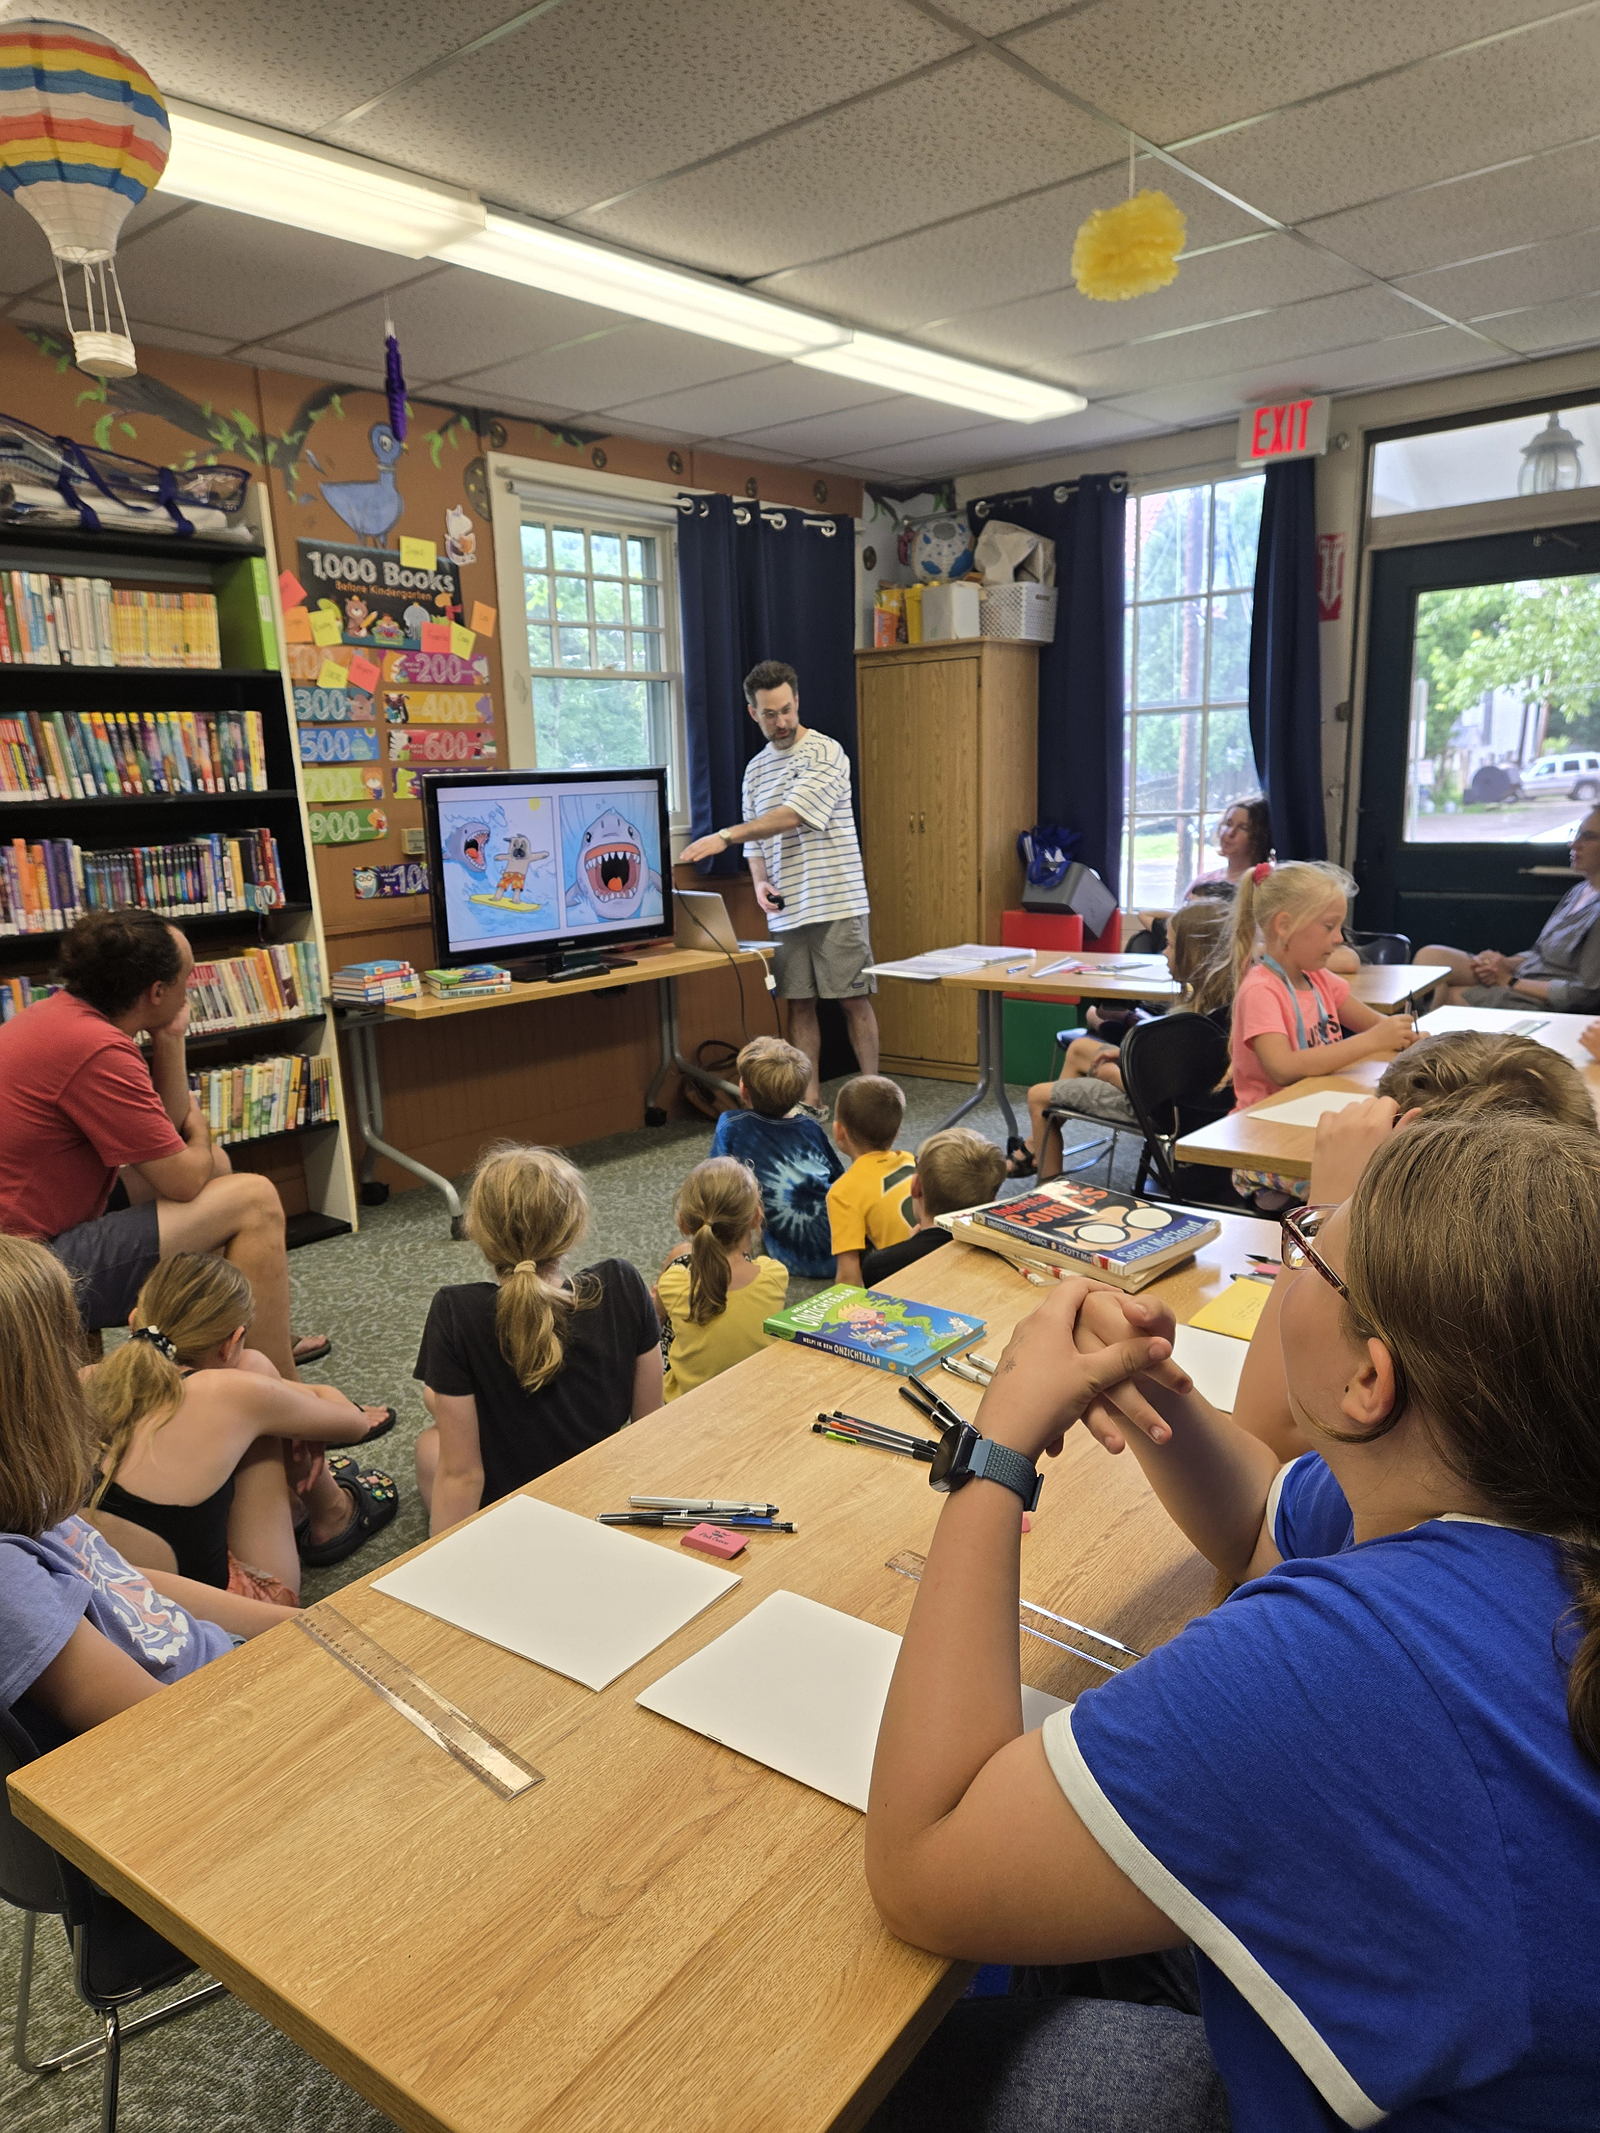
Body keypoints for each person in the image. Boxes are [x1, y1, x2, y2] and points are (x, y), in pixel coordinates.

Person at [863, 1111, 1600, 2133]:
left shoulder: (1351, 1662)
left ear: (1369, 1380)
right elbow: (1260, 1520)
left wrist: (996, 1448)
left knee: (902, 2075)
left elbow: (924, 1863)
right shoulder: (1508, 1492)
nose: (1294, 1258)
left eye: (1310, 1248)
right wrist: (1138, 1381)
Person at [0, 907, 327, 1380]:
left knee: (217, 1166)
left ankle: (218, 1344)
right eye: (186, 979)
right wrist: (200, 1127)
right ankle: (279, 1389)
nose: (190, 990)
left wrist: (170, 1039)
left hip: (36, 1229)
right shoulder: (96, 1049)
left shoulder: (63, 1018)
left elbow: (169, 1138)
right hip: (26, 1269)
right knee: (253, 1199)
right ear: (156, 992)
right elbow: (182, 1179)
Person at [0, 1236, 291, 1746]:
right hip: (221, 1715)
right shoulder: (7, 1576)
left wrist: (304, 1626)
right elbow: (167, 1733)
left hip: (222, 1657)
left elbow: (126, 1583)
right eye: (66, 1353)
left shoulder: (23, 1494)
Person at [86, 1254, 400, 1596]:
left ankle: (299, 1475)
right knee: (255, 1370)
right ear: (232, 1341)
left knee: (259, 1399)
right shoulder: (232, 1393)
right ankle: (332, 1515)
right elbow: (354, 1424)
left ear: (134, 1322)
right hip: (221, 1612)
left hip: (111, 1602)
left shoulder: (85, 1380)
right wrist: (299, 1413)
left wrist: (284, 1407)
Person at [413, 1144, 662, 1536]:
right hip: (603, 1506)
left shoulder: (456, 1312)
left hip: (512, 1523)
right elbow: (649, 1427)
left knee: (429, 1447)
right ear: (574, 1224)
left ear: (478, 1230)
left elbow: (463, 1476)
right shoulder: (622, 1283)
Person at [680, 659, 876, 1111]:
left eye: (787, 710)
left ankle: (874, 1097)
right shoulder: (755, 770)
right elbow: (757, 843)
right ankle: (809, 1100)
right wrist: (760, 883)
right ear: (754, 713)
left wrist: (724, 836)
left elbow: (793, 815)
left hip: (836, 898)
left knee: (853, 1000)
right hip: (788, 906)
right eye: (770, 714)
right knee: (799, 1004)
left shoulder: (826, 752)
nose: (781, 721)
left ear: (797, 702)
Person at [1226, 860, 1415, 1206]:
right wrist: (1372, 1041)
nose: (1339, 938)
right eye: (1329, 926)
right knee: (1368, 1183)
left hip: (1312, 1120)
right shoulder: (1261, 990)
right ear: (1284, 925)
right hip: (1262, 1141)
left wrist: (1407, 1037)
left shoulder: (1317, 978)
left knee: (1386, 1166)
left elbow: (1377, 1026)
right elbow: (1282, 1068)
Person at [1018, 900, 1234, 1183]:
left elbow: (1161, 1092)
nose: (1163, 952)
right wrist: (1126, 1058)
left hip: (1160, 1110)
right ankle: (1037, 1145)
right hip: (1171, 1097)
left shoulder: (1194, 1025)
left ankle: (1046, 1188)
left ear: (1193, 953)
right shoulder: (1221, 1006)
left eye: (1169, 945)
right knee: (1080, 1048)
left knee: (1038, 1097)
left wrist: (1111, 1074)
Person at [1416, 808, 1600, 1011]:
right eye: (1576, 834)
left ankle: (1419, 1027)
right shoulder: (1579, 891)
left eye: (1588, 837)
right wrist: (1503, 963)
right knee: (1430, 958)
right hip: (1522, 974)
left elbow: (1585, 994)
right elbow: (1539, 953)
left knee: (1448, 996)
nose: (1573, 844)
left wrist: (1508, 981)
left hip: (1540, 997)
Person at [709, 1035, 842, 1278]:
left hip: (786, 1258)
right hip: (840, 1250)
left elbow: (715, 1183)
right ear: (800, 1094)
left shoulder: (731, 1125)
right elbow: (839, 1178)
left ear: (743, 1089)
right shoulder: (810, 1127)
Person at [656, 1157, 788, 1401]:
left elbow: (655, 1316)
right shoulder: (774, 1274)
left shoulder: (674, 1281)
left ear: (683, 1223)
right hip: (758, 1395)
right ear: (756, 1216)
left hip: (689, 1403)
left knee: (661, 1313)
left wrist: (676, 1262)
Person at [861, 1128, 1007, 1288]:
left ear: (916, 1186)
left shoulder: (880, 1265)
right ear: (993, 1200)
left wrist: (911, 1246)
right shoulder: (1009, 1250)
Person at [827, 1075, 915, 1287]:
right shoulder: (911, 1160)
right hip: (936, 1262)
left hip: (901, 1282)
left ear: (839, 1132)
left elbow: (848, 1275)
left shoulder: (843, 1192)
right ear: (897, 1132)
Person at [1186, 792, 1271, 892]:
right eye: (1228, 824)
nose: (1230, 833)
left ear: (1259, 837)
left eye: (1243, 828)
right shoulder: (1202, 881)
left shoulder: (1267, 885)